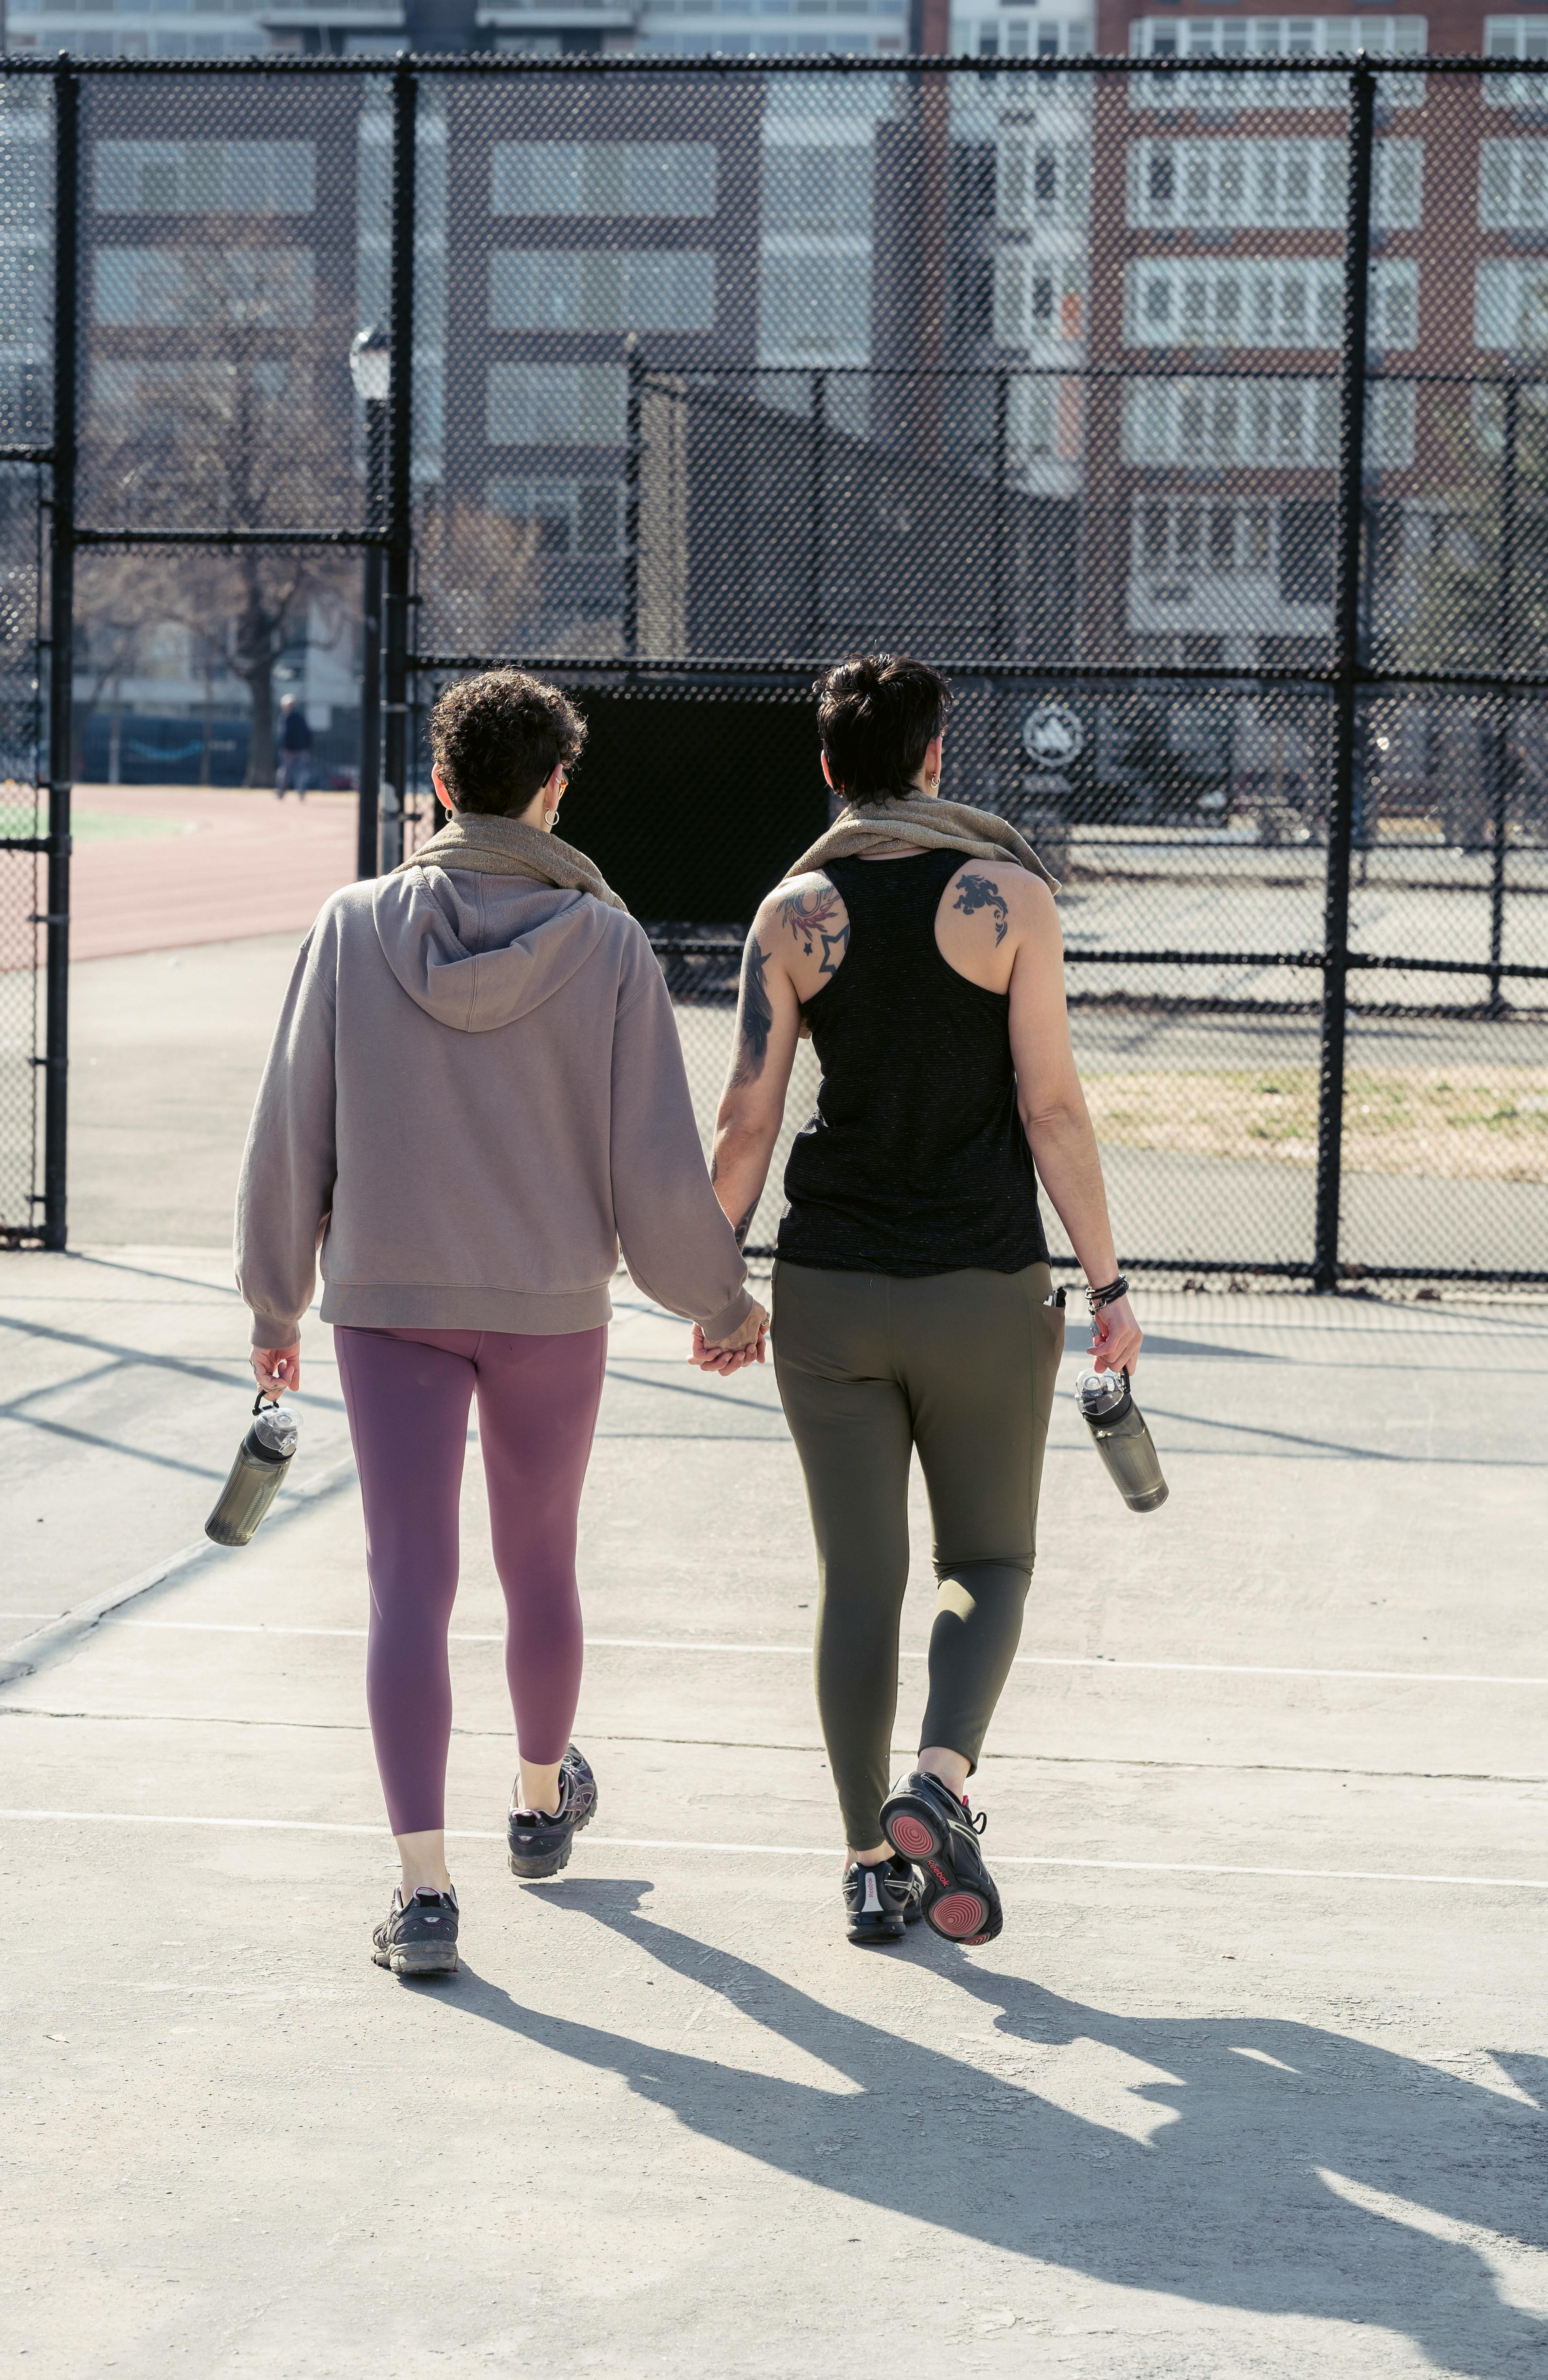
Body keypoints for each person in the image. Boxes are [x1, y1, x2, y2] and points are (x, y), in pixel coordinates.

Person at [236, 669, 768, 1979]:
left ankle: (423, 1893)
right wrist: (721, 1298)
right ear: (554, 791)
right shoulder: (610, 944)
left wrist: (273, 1300)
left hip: (390, 1301)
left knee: (408, 1580)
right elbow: (653, 1167)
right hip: (547, 1307)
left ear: (439, 785)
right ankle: (539, 1804)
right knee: (541, 1563)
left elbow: (291, 1126)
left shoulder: (353, 927)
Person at [700, 653, 1141, 1950]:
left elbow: (746, 1121)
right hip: (982, 1288)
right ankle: (936, 1787)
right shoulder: (1009, 897)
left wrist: (714, 1280)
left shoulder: (793, 913)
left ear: (831, 768)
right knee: (988, 1563)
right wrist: (1108, 1282)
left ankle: (862, 1868)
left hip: (830, 1291)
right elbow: (1053, 1108)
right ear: (938, 760)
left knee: (858, 1582)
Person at [275, 694, 312, 798]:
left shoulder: (286, 717)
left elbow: (285, 735)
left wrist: (286, 747)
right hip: (301, 749)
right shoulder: (301, 717)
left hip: (290, 750)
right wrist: (307, 746)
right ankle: (301, 793)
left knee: (286, 772)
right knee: (299, 772)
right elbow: (308, 733)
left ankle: (282, 792)